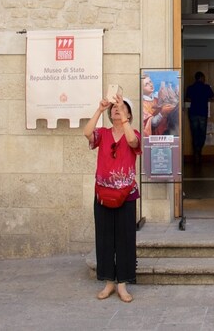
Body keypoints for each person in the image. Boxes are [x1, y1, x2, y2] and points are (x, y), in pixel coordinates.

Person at [83, 92, 141, 303]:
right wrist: (100, 109)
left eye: (122, 107)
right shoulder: (103, 134)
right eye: (114, 108)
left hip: (126, 195)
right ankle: (109, 282)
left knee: (125, 239)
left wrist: (124, 118)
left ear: (129, 114)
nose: (116, 109)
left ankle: (123, 284)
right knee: (105, 238)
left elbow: (133, 142)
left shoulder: (133, 133)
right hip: (103, 194)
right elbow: (87, 133)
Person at [184, 71, 214, 165]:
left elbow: (187, 99)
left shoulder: (190, 88)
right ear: (201, 78)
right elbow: (213, 97)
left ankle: (196, 153)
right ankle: (199, 151)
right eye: (204, 78)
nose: (204, 79)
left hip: (193, 113)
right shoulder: (206, 87)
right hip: (202, 113)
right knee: (202, 134)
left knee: (194, 134)